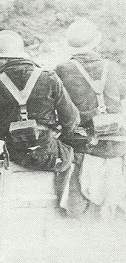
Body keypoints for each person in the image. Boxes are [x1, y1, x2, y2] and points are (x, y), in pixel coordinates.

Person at [0, 30, 80, 173]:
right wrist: (58, 135)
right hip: (47, 155)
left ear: (6, 58)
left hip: (16, 154)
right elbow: (71, 119)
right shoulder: (50, 78)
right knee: (70, 158)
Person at [55, 18, 126, 219]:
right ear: (96, 42)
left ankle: (73, 212)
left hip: (83, 142)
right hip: (117, 141)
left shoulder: (62, 69)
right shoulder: (112, 67)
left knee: (68, 147)